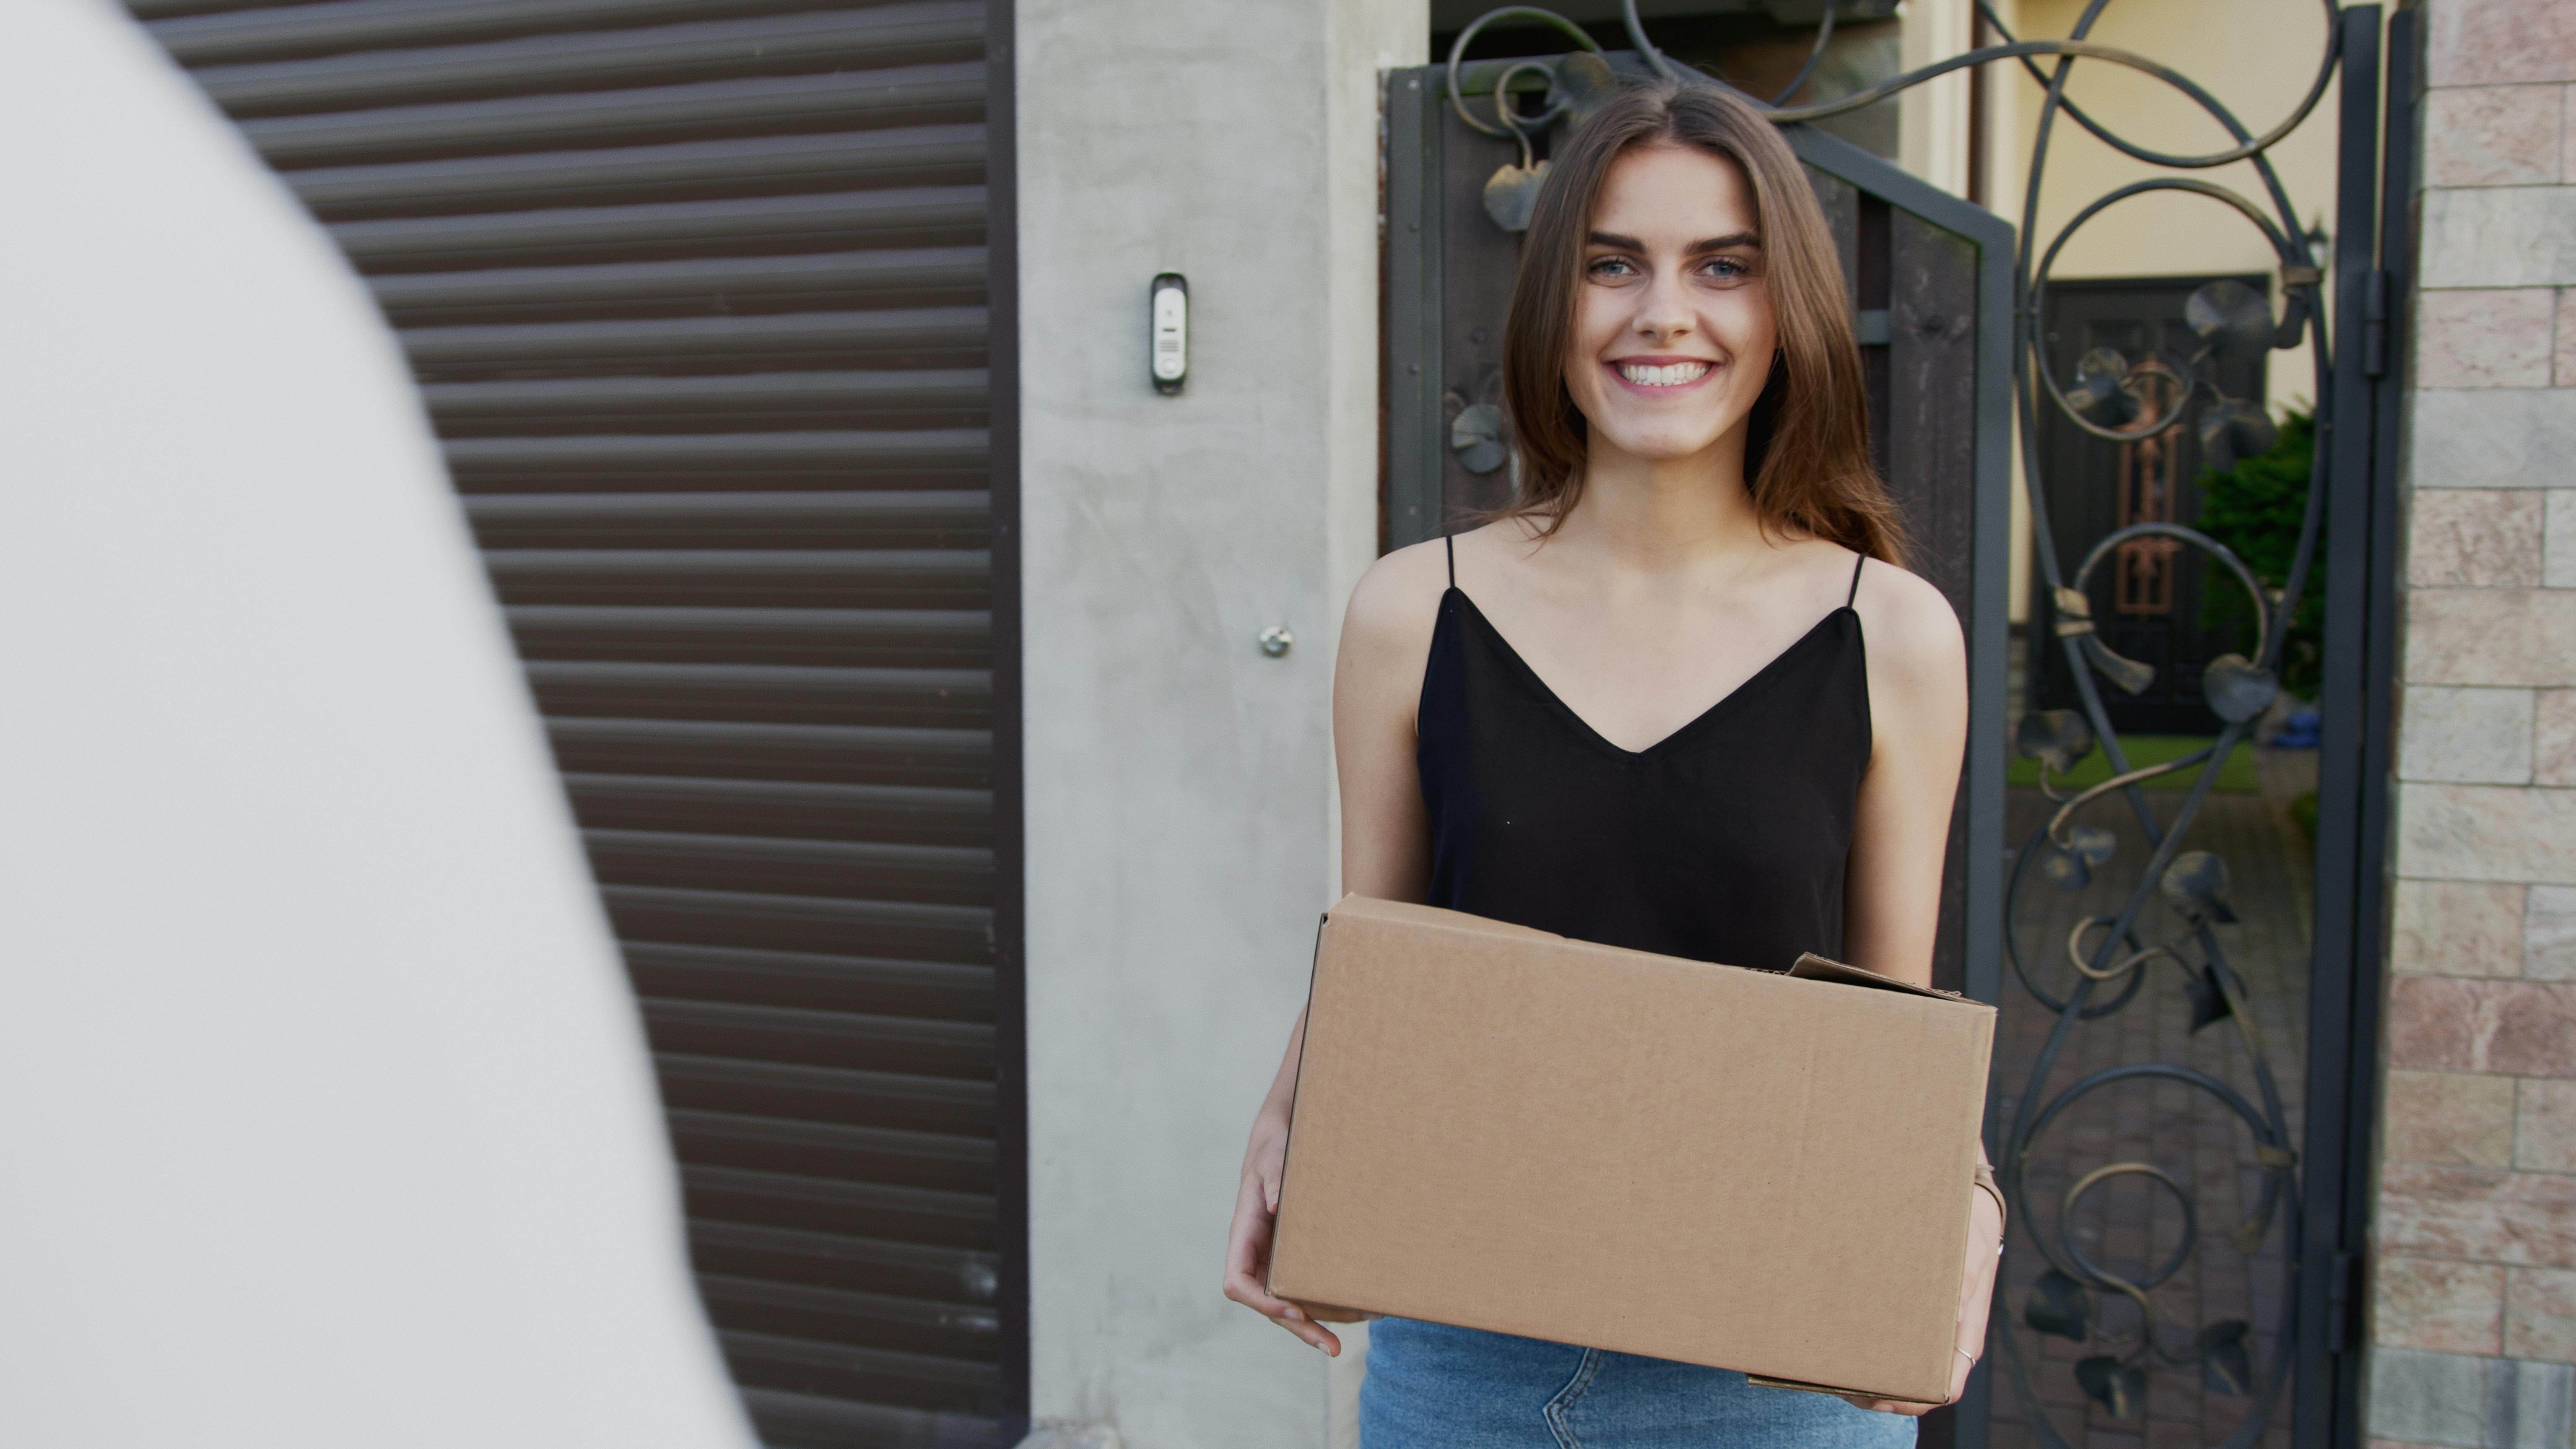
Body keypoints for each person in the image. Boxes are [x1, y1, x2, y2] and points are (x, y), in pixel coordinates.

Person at [1220, 78, 2008, 1445]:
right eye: (1612, 265)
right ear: (1556, 303)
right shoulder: (1416, 610)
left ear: (1787, 311)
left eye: (1723, 267)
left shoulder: (1891, 633)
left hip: (1780, 1382)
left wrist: (1975, 1202)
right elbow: (1386, 955)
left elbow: (1893, 1027)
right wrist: (1290, 1109)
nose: (1663, 313)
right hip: (1464, 1364)